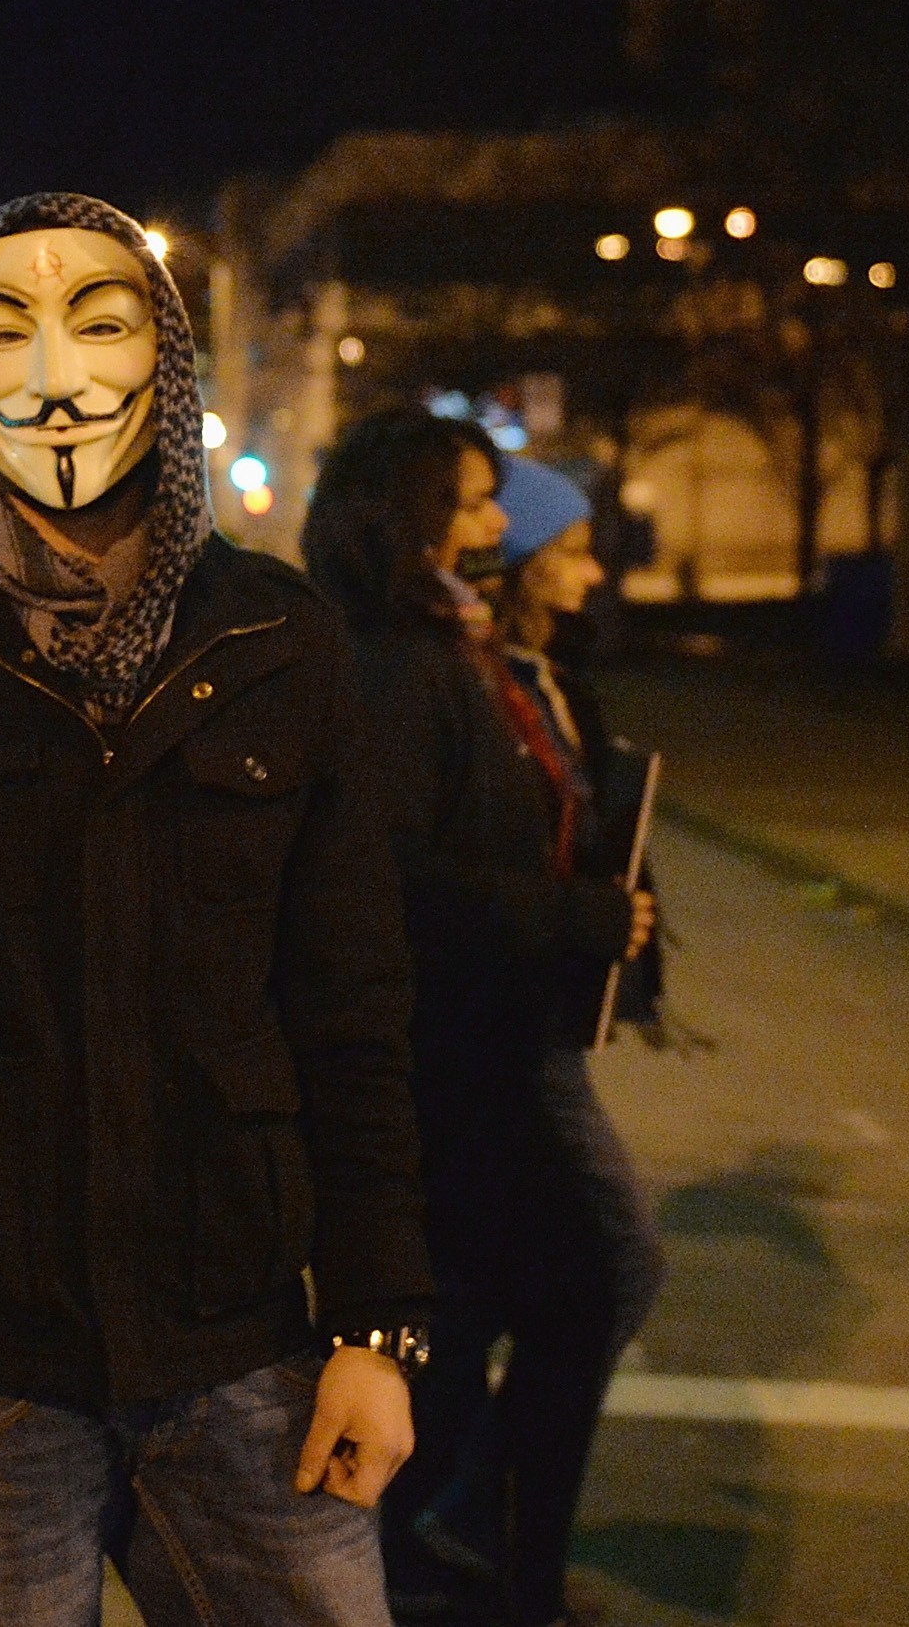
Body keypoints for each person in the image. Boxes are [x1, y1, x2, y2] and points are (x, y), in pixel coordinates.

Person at [0, 191, 434, 1627]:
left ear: (164, 364)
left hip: (248, 1339)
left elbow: (354, 1008)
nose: (58, 377)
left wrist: (376, 1323)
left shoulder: (279, 636)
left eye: (102, 323)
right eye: (3, 330)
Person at [306, 428, 660, 1627]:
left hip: (479, 1040)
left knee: (477, 1301)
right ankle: (478, 1544)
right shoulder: (401, 665)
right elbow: (396, 875)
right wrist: (571, 915)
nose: (495, 527)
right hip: (448, 1051)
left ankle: (429, 1536)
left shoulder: (441, 649)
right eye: (469, 503)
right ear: (404, 518)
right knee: (594, 1274)